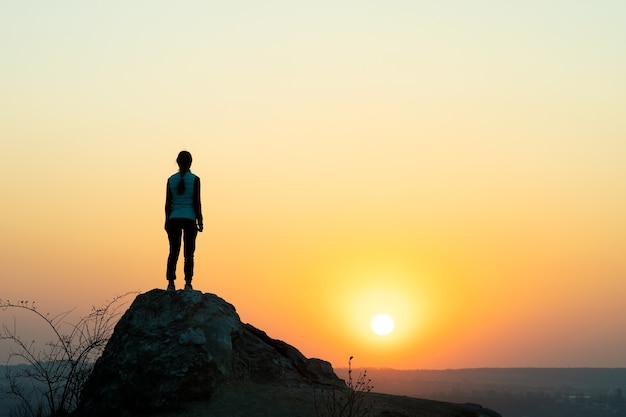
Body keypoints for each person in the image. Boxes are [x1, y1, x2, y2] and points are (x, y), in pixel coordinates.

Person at [165, 151, 203, 291]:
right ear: (190, 162)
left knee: (173, 251)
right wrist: (200, 220)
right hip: (190, 219)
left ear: (178, 162)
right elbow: (197, 202)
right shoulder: (195, 179)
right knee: (189, 253)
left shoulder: (171, 179)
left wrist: (166, 221)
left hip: (174, 218)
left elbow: (168, 203)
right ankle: (188, 282)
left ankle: (170, 283)